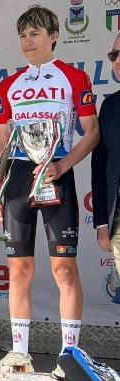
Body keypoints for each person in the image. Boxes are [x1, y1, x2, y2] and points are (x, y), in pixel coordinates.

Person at [0, 6, 99, 379]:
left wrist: (62, 167)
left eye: (34, 34)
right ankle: (19, 353)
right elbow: (2, 140)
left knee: (63, 268)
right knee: (19, 268)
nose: (27, 41)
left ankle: (70, 358)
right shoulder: (10, 84)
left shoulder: (74, 77)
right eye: (22, 35)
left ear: (53, 36)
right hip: (19, 175)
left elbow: (92, 133)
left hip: (56, 171)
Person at [92, 33, 120, 290]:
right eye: (114, 55)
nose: (117, 61)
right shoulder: (109, 107)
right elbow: (99, 169)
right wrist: (102, 222)